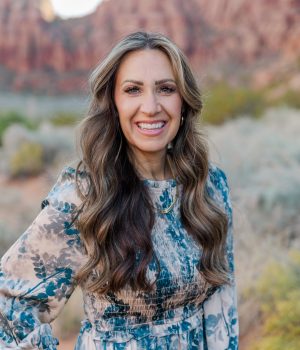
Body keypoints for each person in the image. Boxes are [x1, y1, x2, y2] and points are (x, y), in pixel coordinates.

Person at [0, 31, 238, 349]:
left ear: (184, 100)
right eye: (133, 90)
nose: (151, 107)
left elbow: (222, 304)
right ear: (114, 102)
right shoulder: (85, 195)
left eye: (166, 89)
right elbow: (8, 307)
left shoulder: (209, 186)